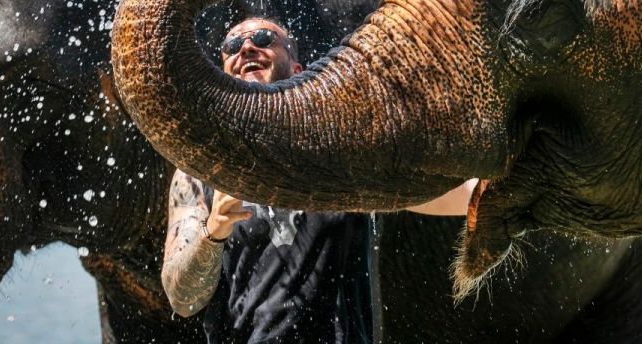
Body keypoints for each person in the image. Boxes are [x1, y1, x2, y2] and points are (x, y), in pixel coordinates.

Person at [161, 17, 476, 344]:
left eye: (264, 38)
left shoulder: (336, 150)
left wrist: (502, 190)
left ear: (297, 71)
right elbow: (182, 299)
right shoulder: (199, 170)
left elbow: (426, 193)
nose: (247, 47)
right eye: (232, 46)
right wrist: (212, 232)